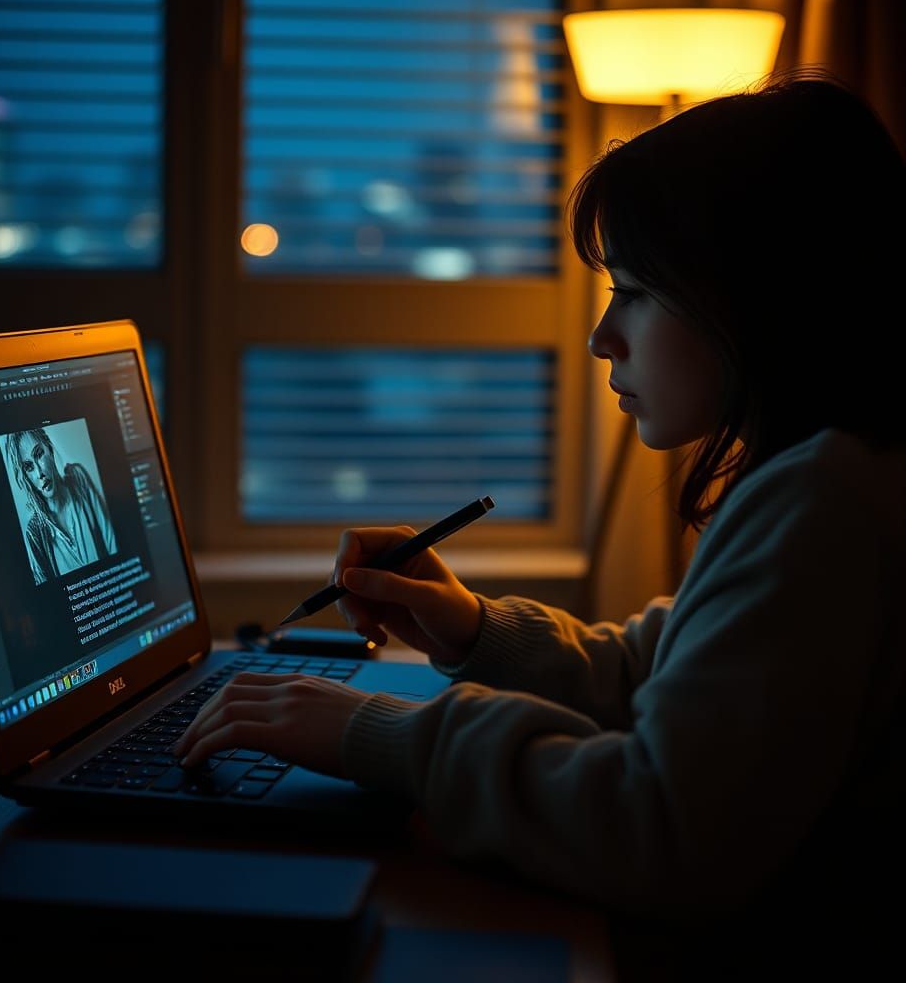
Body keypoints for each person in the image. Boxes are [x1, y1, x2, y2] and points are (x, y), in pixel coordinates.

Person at [175, 71, 905, 975]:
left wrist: (381, 737)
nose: (604, 336)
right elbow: (664, 674)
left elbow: (662, 828)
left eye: (633, 291)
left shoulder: (824, 504)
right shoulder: (834, 473)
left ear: (760, 296)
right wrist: (470, 628)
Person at [4, 426, 117, 585]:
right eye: (28, 467)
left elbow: (112, 543)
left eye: (39, 454)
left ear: (49, 449)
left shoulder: (79, 480)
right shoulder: (35, 533)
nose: (39, 473)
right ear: (25, 476)